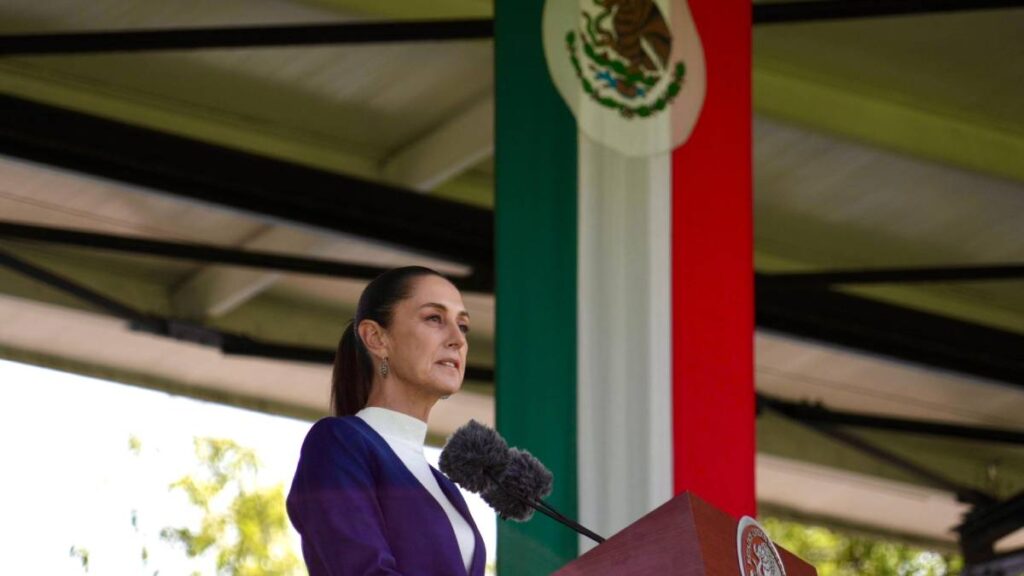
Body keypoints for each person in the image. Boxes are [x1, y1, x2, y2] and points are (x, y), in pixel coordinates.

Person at [287, 266, 486, 575]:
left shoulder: (447, 489)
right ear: (376, 338)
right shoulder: (338, 443)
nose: (457, 339)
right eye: (434, 318)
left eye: (463, 326)